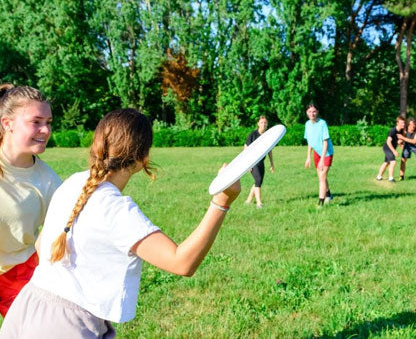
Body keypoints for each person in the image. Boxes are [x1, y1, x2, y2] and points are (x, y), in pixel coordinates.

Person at [0, 108, 241, 338]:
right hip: (66, 327)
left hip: (26, 306)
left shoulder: (73, 182)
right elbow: (182, 263)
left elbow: (43, 245)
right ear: (142, 158)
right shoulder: (116, 209)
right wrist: (221, 201)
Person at [0, 83, 61, 318]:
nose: (45, 130)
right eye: (36, 122)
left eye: (48, 123)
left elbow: (62, 236)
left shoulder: (49, 182)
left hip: (19, 273)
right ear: (8, 123)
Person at [304, 103, 334, 208]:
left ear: (317, 112)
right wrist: (308, 157)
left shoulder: (322, 123)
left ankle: (320, 203)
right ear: (307, 113)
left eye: (314, 111)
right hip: (317, 152)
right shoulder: (307, 124)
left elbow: (325, 142)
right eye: (310, 111)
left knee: (322, 176)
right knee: (321, 177)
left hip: (326, 153)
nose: (312, 113)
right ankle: (329, 195)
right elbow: (310, 142)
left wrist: (322, 159)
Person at [244, 116, 275, 208]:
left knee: (259, 181)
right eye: (261, 122)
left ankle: (248, 200)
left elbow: (270, 150)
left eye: (265, 123)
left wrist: (272, 163)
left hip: (261, 162)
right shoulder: (253, 135)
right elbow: (246, 148)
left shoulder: (268, 136)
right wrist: (248, 164)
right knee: (258, 180)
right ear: (258, 124)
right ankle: (259, 203)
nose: (263, 124)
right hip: (253, 162)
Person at [376, 116, 406, 182]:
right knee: (393, 162)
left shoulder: (401, 131)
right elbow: (388, 142)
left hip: (391, 148)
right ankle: (391, 178)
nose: (403, 124)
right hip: (387, 148)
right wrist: (394, 151)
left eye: (404, 123)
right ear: (397, 123)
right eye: (402, 123)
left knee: (386, 163)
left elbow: (398, 141)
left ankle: (379, 176)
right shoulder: (393, 131)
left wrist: (401, 145)